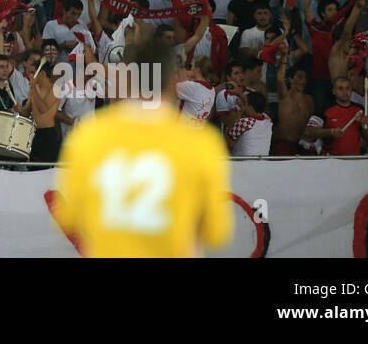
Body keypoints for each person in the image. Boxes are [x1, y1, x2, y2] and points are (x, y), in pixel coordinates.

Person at [52, 43, 233, 257]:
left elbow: (71, 216)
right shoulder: (202, 144)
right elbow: (215, 232)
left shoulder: (92, 136)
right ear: (172, 82)